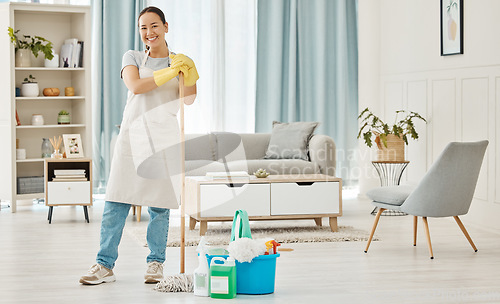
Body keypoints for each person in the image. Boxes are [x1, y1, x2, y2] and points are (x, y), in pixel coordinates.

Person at [80, 6, 198, 285]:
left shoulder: (179, 62)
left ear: (165, 27)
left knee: (159, 206)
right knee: (116, 201)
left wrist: (189, 72)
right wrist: (169, 73)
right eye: (143, 28)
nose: (149, 32)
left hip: (163, 140)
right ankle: (104, 265)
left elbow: (189, 100)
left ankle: (156, 264)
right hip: (132, 137)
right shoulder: (132, 56)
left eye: (154, 26)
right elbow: (135, 86)